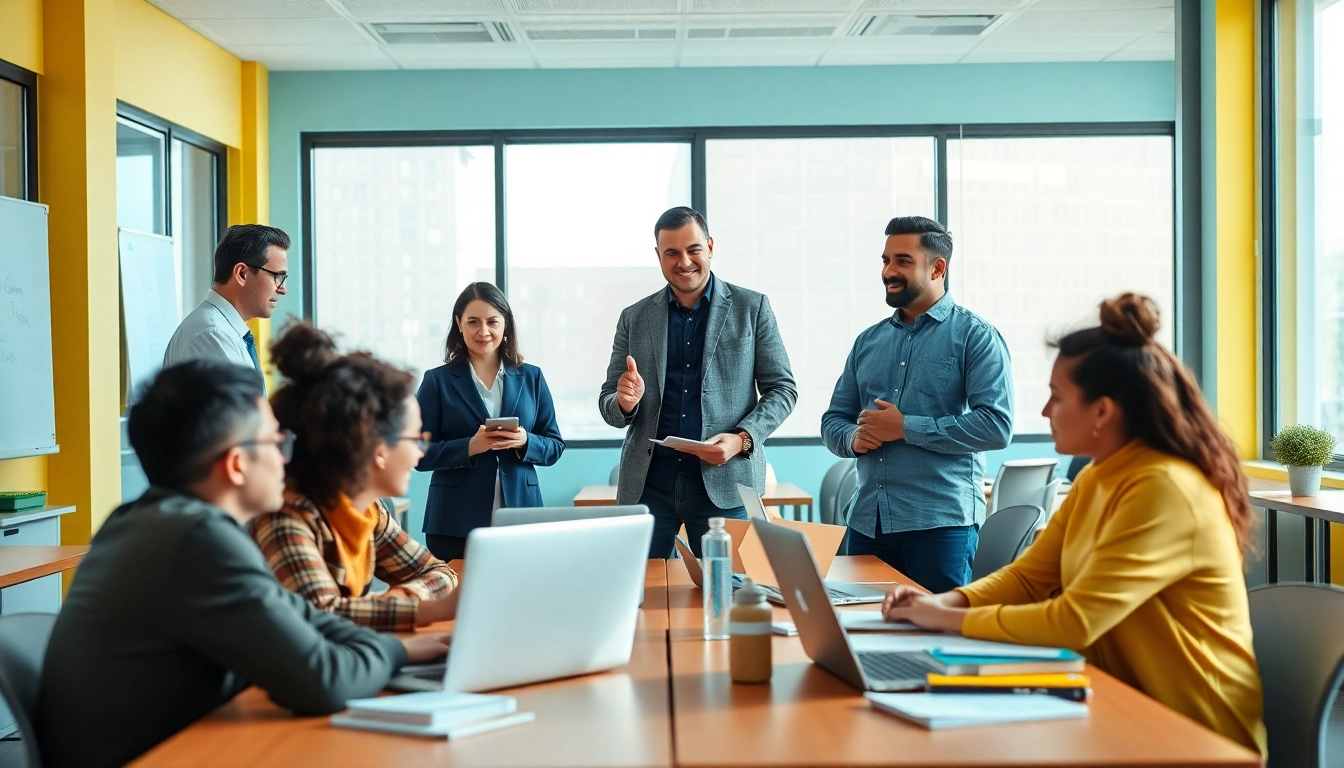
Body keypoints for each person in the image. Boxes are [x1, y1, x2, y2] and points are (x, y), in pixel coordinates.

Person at [881, 294, 1267, 756]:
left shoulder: (1164, 488)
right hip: (1114, 708)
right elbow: (1029, 578)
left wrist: (947, 620)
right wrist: (945, 600)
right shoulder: (1099, 477)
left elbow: (1074, 622)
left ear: (1102, 411)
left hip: (1194, 737)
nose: (1046, 411)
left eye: (1057, 396)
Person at [36, 361, 449, 768]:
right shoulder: (197, 539)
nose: (286, 459)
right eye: (275, 443)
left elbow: (304, 615)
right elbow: (323, 680)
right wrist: (394, 651)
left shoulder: (150, 519)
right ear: (236, 464)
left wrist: (400, 648)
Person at [821, 216, 1012, 593]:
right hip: (868, 522)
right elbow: (834, 420)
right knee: (864, 626)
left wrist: (906, 427)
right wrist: (852, 438)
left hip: (940, 526)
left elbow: (996, 426)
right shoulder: (867, 342)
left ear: (938, 268)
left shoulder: (976, 337)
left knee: (934, 627)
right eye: (885, 260)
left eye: (903, 261)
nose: (888, 271)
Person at [600, 206, 797, 558]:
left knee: (729, 586)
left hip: (725, 483)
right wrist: (624, 403)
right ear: (658, 255)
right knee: (640, 586)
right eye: (672, 253)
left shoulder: (752, 308)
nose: (684, 262)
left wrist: (742, 440)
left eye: (693, 250)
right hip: (648, 486)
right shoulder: (634, 317)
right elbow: (609, 404)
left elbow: (783, 390)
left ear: (710, 247)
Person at [249, 322, 460, 630]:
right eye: (416, 439)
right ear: (379, 449)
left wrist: (403, 598)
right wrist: (424, 611)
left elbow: (440, 572)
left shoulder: (368, 511)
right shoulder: (285, 517)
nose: (420, 452)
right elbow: (321, 616)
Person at [416, 282, 564, 561]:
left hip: (522, 515)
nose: (483, 331)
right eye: (473, 322)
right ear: (459, 324)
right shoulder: (437, 381)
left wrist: (525, 441)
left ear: (505, 324)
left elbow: (555, 445)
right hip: (455, 521)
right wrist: (470, 447)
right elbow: (416, 453)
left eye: (492, 322)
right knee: (460, 589)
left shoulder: (532, 377)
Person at [163, 224, 289, 388]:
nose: (283, 289)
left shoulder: (222, 330)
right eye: (277, 276)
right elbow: (243, 405)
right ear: (241, 273)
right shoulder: (213, 335)